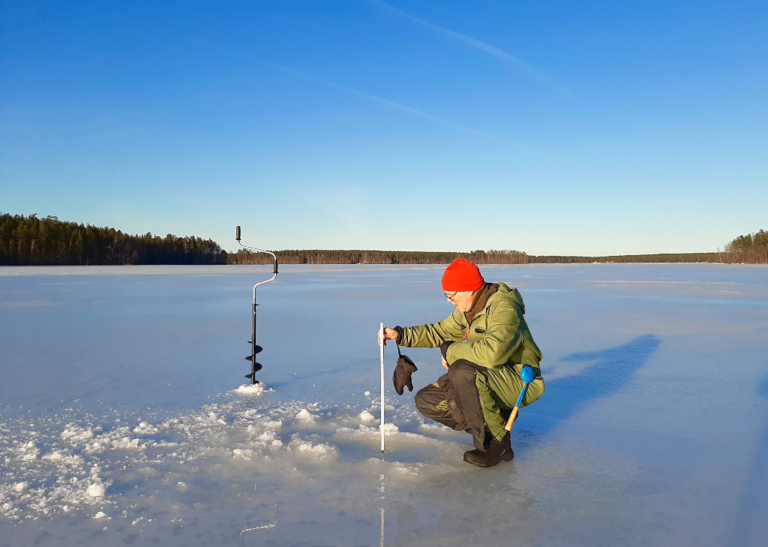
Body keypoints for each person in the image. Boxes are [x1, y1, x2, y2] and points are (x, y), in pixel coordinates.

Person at [380, 258, 545, 467]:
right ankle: (487, 428)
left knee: (462, 370)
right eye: (446, 295)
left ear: (468, 289)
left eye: (451, 295)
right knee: (427, 400)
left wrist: (450, 351)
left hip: (518, 380)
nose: (449, 300)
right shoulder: (469, 310)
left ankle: (497, 443)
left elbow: (492, 354)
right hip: (487, 374)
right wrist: (401, 335)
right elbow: (439, 331)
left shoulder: (504, 310)